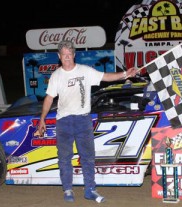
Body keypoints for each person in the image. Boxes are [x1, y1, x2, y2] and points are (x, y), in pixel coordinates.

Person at [38, 40, 138, 203]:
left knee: (88, 157)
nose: (67, 58)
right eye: (64, 55)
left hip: (83, 120)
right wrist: (42, 119)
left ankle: (90, 190)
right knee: (64, 158)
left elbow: (106, 77)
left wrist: (125, 74)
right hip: (63, 122)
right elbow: (49, 98)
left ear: (74, 55)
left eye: (70, 54)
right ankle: (68, 190)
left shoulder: (85, 71)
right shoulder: (56, 76)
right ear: (59, 56)